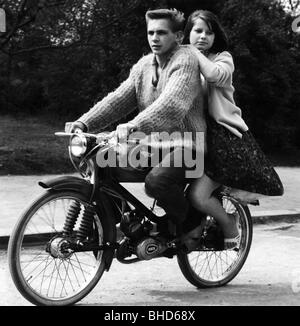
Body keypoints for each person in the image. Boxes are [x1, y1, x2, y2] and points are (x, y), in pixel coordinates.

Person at [70, 9, 206, 239]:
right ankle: (115, 222)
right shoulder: (144, 65)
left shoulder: (187, 61)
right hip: (153, 145)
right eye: (151, 32)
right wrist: (84, 123)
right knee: (96, 161)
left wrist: (134, 125)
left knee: (157, 182)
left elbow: (171, 105)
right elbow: (118, 100)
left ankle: (192, 222)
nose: (154, 38)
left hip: (189, 146)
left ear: (179, 37)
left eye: (161, 32)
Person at [183, 10, 284, 249]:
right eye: (198, 31)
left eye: (209, 32)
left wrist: (192, 53)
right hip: (194, 137)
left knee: (197, 195)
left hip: (225, 138)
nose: (203, 36)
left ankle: (229, 223)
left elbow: (215, 76)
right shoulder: (184, 61)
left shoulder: (223, 58)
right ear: (187, 34)